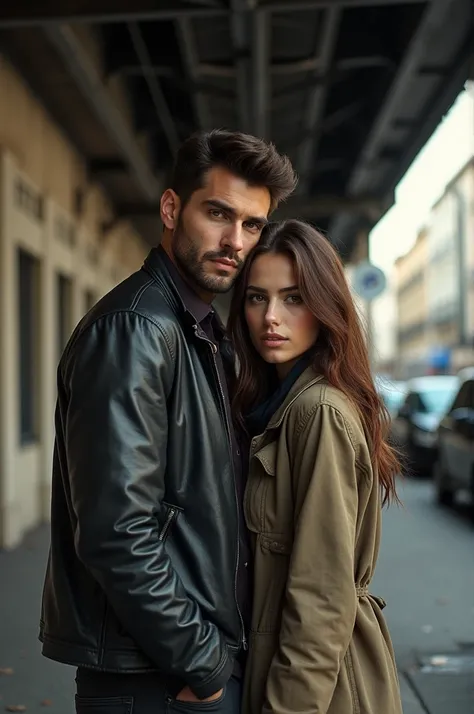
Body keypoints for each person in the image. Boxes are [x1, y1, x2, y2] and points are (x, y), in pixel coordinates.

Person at [39, 130, 297, 714]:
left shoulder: (198, 331)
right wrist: (201, 663)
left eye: (253, 225)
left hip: (177, 664)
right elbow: (115, 530)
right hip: (157, 676)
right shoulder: (137, 331)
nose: (235, 241)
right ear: (172, 208)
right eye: (218, 213)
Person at [228, 219, 403, 714]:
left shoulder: (316, 412)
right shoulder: (277, 406)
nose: (271, 318)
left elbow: (321, 597)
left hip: (320, 690)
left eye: (294, 298)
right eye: (257, 298)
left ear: (326, 307)